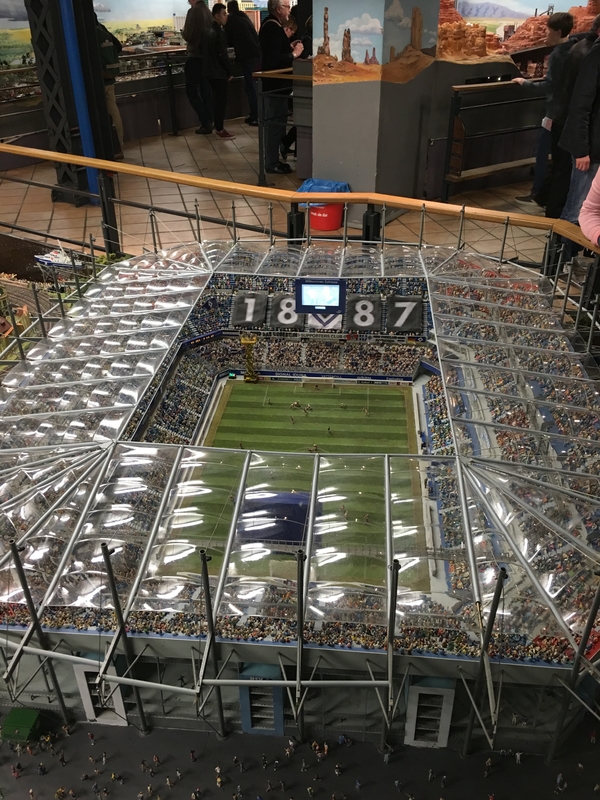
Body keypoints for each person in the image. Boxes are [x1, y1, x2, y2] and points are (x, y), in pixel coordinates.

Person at [512, 12, 575, 217]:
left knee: (550, 157)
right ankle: (546, 198)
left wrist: (525, 83)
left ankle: (544, 198)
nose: (545, 35)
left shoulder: (558, 54)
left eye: (548, 31)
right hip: (569, 115)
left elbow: (550, 85)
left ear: (557, 31)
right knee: (561, 162)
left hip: (556, 114)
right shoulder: (576, 48)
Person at [560, 28, 600, 226]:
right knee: (576, 210)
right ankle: (562, 246)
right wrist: (581, 151)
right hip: (590, 149)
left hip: (594, 145)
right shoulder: (595, 55)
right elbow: (580, 105)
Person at [258, 0, 304, 174]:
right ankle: (271, 163)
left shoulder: (272, 26)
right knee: (274, 125)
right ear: (278, 9)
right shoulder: (272, 27)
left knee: (277, 124)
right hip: (275, 85)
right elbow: (273, 59)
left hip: (277, 86)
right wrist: (294, 54)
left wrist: (288, 48)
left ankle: (273, 160)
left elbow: (275, 52)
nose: (289, 11)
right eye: (287, 7)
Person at [203, 3, 236, 139]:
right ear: (216, 15)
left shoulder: (207, 31)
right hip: (219, 72)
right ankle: (220, 128)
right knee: (221, 102)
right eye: (223, 14)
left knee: (214, 101)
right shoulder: (219, 33)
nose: (226, 16)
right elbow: (222, 54)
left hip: (209, 71)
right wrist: (229, 71)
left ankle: (216, 126)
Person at [225, 1, 260, 125]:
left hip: (246, 56)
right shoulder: (244, 18)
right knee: (253, 85)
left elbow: (228, 40)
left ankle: (256, 116)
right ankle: (255, 114)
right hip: (255, 54)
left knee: (250, 86)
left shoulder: (231, 20)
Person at [182, 0, 214, 134]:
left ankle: (205, 121)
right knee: (206, 91)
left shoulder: (193, 11)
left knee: (191, 91)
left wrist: (183, 32)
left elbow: (188, 35)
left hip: (195, 57)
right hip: (207, 57)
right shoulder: (207, 11)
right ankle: (209, 121)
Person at [96, 16, 124, 159]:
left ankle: (103, 151)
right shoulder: (102, 29)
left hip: (96, 82)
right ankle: (118, 147)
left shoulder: (86, 32)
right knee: (113, 112)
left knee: (97, 115)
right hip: (109, 79)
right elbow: (118, 46)